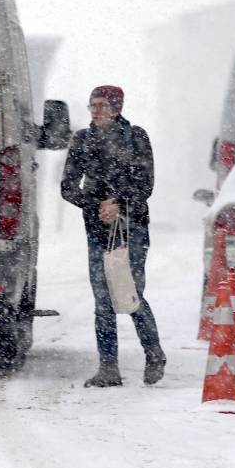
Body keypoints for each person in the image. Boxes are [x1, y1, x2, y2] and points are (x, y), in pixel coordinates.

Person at [61, 85, 166, 387]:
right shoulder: (81, 140)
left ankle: (153, 351)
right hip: (97, 230)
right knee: (102, 299)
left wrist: (118, 202)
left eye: (103, 104)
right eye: (92, 104)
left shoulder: (136, 137)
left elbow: (146, 184)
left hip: (132, 227)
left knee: (130, 292)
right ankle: (108, 367)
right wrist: (96, 205)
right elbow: (68, 186)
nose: (96, 110)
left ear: (117, 107)